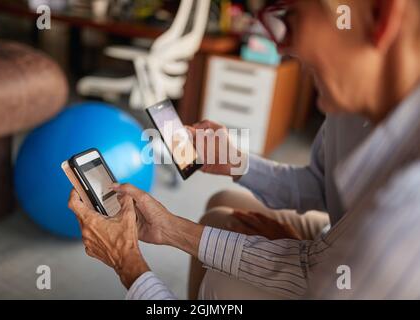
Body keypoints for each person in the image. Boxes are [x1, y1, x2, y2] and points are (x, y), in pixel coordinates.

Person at [68, 0, 420, 299]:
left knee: (223, 280)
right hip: (332, 240)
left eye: (292, 16)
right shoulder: (354, 104)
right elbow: (320, 188)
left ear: (380, 16)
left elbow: (322, 265)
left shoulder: (403, 214)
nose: (281, 47)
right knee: (220, 210)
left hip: (338, 255)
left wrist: (126, 260)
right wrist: (231, 168)